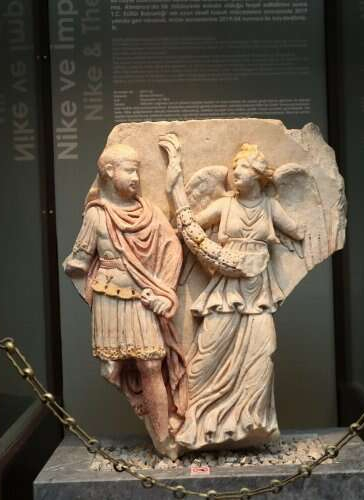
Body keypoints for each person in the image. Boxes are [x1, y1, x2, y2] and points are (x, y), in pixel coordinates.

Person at [164, 141, 304, 450]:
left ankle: (251, 423)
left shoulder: (270, 207)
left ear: (257, 174)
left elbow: (298, 231)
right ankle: (194, 421)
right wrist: (175, 189)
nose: (234, 171)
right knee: (207, 356)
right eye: (234, 166)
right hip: (226, 292)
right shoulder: (224, 206)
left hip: (259, 294)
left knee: (263, 354)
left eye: (241, 167)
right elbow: (189, 227)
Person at [63, 143, 186, 458]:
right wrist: (81, 271)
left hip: (144, 298)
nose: (136, 178)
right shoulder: (97, 215)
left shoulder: (149, 212)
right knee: (112, 368)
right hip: (110, 301)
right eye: (130, 170)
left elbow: (172, 247)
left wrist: (164, 290)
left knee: (151, 363)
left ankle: (163, 437)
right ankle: (137, 398)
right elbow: (79, 262)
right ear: (109, 171)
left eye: (138, 171)